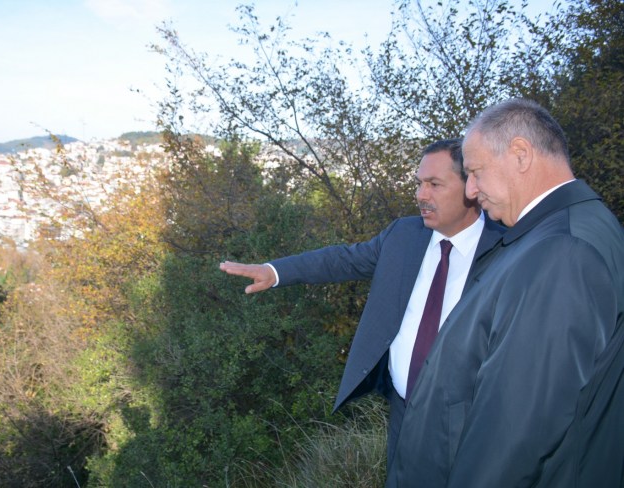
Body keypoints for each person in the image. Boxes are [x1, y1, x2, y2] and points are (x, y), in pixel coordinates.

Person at [219, 138, 505, 464]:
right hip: (402, 412)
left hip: (470, 425)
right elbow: (341, 260)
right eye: (419, 183)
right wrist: (274, 272)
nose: (420, 195)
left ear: (471, 186)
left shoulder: (508, 250)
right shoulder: (404, 235)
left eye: (434, 184)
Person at [386, 98, 624, 487]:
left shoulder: (562, 252)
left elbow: (515, 434)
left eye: (475, 172)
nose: (471, 189)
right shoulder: (554, 234)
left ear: (520, 154)